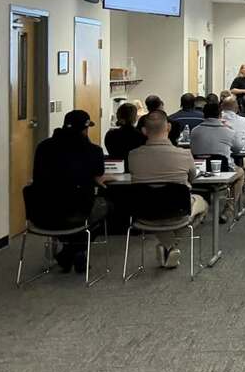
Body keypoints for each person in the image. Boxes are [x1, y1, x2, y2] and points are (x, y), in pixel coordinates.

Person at [126, 110, 208, 269]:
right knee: (203, 204)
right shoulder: (184, 154)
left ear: (144, 131)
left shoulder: (133, 155)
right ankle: (171, 245)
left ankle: (167, 246)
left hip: (144, 213)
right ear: (168, 127)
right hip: (178, 212)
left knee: (157, 208)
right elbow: (192, 179)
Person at [30, 109, 108, 274]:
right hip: (75, 213)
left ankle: (70, 251)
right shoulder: (93, 151)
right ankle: (71, 252)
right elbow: (98, 175)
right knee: (105, 206)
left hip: (41, 213)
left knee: (69, 209)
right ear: (85, 129)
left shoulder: (43, 147)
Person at [186, 101, 244, 222]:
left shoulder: (195, 131)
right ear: (220, 114)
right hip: (223, 170)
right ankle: (229, 209)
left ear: (203, 114)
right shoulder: (228, 131)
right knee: (241, 172)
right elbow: (238, 148)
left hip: (200, 171)